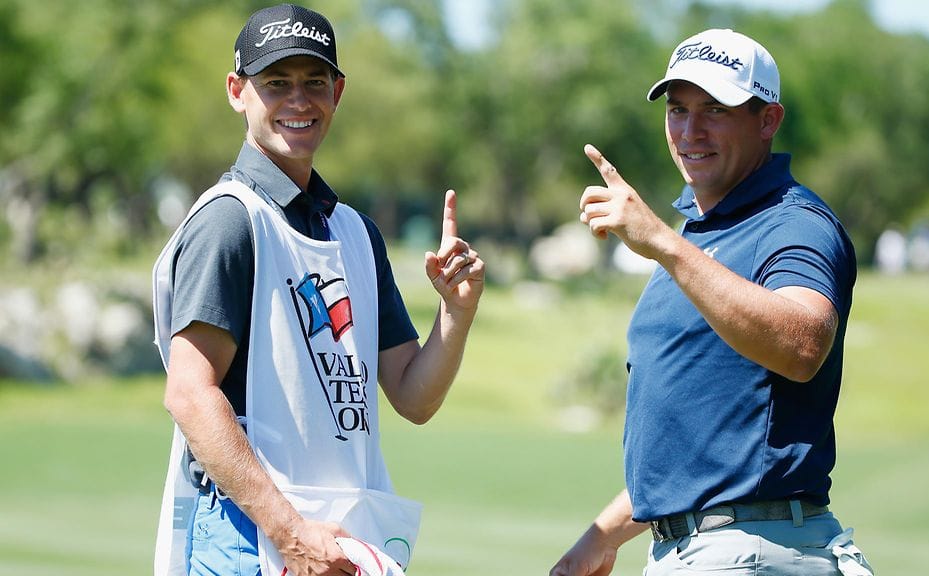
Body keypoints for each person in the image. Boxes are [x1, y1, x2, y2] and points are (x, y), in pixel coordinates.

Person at [151, 4, 485, 576]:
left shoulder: (356, 232)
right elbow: (189, 394)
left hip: (335, 534)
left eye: (314, 81)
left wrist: (455, 313)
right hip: (251, 534)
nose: (298, 100)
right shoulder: (231, 220)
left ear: (339, 92)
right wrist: (290, 533)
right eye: (276, 83)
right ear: (237, 91)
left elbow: (413, 397)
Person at [551, 29, 871, 576]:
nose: (690, 131)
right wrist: (601, 538)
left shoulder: (794, 222)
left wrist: (662, 243)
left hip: (747, 551)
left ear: (768, 120)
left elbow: (802, 345)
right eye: (678, 110)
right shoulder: (700, 236)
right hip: (705, 550)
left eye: (715, 110)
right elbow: (701, 451)